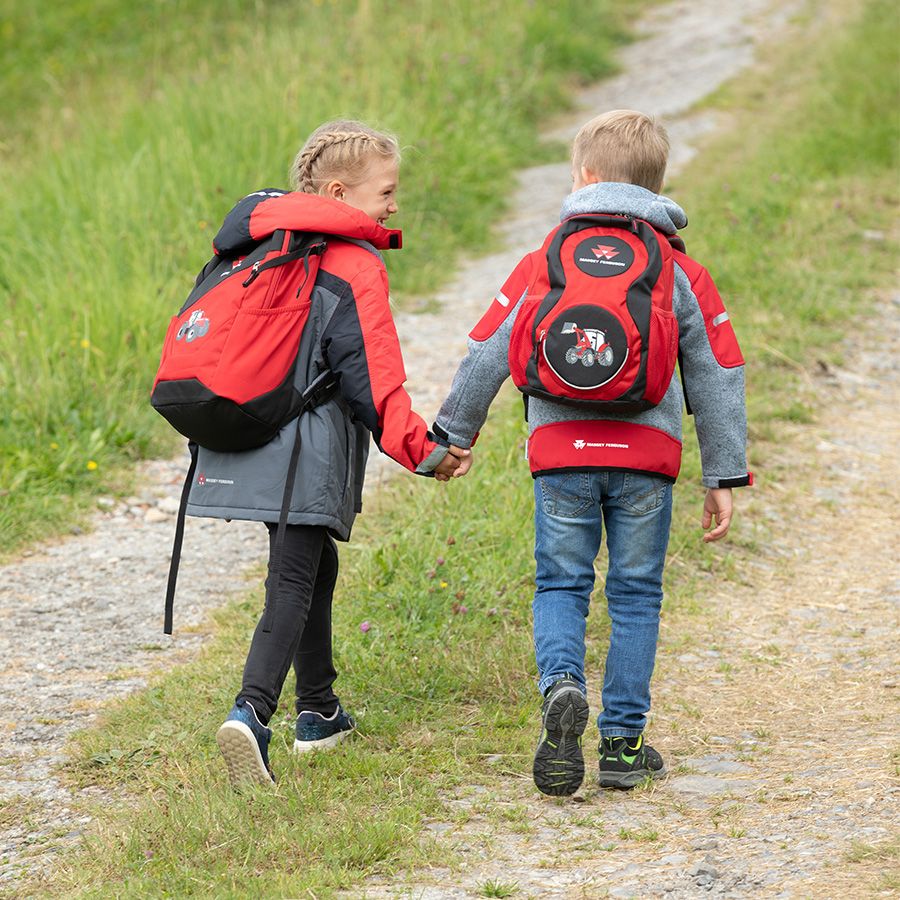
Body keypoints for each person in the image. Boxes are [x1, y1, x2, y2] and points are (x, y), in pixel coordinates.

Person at [432, 109, 751, 796]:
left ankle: (562, 685)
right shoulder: (676, 268)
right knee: (636, 594)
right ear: (655, 185)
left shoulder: (545, 258)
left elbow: (488, 347)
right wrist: (722, 473)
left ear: (584, 178)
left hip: (563, 455)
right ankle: (621, 746)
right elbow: (718, 371)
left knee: (561, 583)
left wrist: (455, 433)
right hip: (648, 458)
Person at [190, 120, 470, 787]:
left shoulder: (257, 246)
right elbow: (375, 380)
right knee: (292, 578)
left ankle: (319, 712)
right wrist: (428, 453)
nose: (394, 207)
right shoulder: (351, 263)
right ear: (339, 191)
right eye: (386, 193)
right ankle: (251, 714)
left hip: (248, 434)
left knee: (313, 566)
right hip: (304, 452)